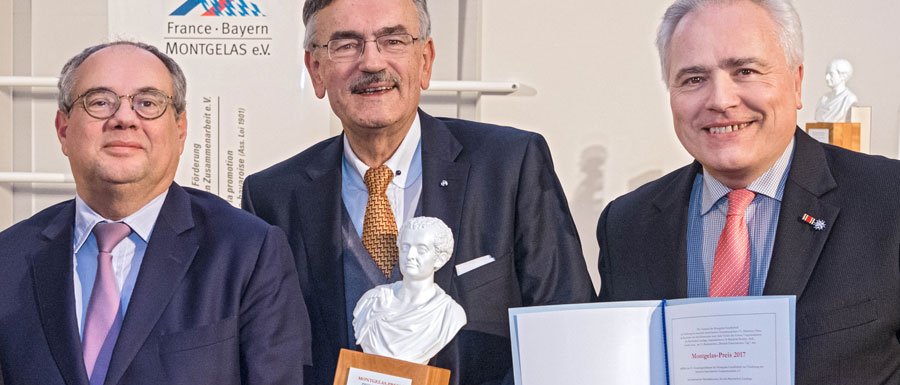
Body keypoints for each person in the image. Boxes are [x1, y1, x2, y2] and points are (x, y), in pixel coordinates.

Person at [241, 0, 595, 383]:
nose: (372, 63)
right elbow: (268, 356)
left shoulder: (510, 166)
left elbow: (567, 329)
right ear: (316, 70)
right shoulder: (272, 198)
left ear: (425, 60)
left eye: (393, 41)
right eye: (346, 45)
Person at [596, 1, 900, 384]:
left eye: (745, 70)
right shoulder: (627, 225)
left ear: (796, 83)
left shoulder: (889, 201)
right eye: (693, 79)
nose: (720, 100)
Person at [0, 41, 311, 385]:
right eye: (100, 102)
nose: (123, 118)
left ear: (180, 130)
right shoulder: (8, 258)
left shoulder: (248, 253)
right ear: (63, 129)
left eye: (148, 103)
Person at [352, 217, 466, 364]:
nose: (410, 256)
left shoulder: (449, 314)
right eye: (405, 247)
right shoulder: (372, 302)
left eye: (421, 249)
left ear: (440, 259)